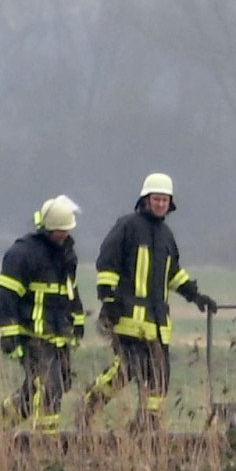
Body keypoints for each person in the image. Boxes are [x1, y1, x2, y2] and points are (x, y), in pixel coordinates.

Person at [76, 173, 217, 433]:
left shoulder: (166, 236)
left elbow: (172, 273)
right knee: (127, 370)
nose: (161, 204)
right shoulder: (127, 226)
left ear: (170, 203)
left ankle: (146, 426)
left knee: (160, 376)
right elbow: (107, 263)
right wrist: (109, 300)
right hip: (128, 320)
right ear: (145, 200)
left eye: (165, 200)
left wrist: (195, 295)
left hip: (158, 324)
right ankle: (87, 407)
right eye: (157, 199)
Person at [0, 196, 85, 435]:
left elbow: (71, 292)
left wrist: (77, 324)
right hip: (32, 337)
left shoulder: (67, 255)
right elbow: (3, 297)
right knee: (49, 389)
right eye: (61, 231)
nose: (65, 235)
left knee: (39, 390)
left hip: (58, 337)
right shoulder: (22, 254)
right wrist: (10, 334)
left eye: (67, 230)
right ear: (49, 228)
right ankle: (45, 446)